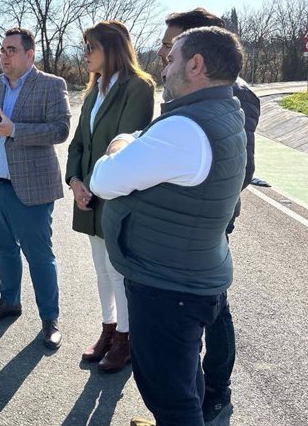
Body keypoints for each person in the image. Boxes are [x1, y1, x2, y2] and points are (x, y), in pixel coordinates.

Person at [91, 26, 247, 426]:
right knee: (182, 375)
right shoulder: (223, 110)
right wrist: (138, 143)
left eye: (170, 58)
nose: (163, 69)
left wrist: (120, 144)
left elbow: (103, 180)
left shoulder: (184, 129)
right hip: (189, 274)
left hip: (167, 286)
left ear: (195, 65)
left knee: (168, 393)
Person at [158, 8, 260, 424]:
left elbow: (241, 168)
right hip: (183, 219)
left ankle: (216, 390)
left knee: (213, 308)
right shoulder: (185, 90)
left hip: (207, 222)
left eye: (171, 44)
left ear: (198, 52)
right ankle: (190, 392)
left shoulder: (239, 96)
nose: (165, 53)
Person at [0, 27, 71, 349]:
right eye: (2, 50)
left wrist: (14, 130)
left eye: (11, 50)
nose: (4, 55)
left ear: (30, 54)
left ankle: (49, 318)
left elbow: (60, 130)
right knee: (4, 248)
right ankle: (9, 301)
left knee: (39, 256)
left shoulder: (52, 85)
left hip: (32, 189)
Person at [65, 20, 155, 372]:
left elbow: (126, 145)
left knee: (118, 271)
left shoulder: (139, 87)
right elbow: (78, 144)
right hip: (88, 195)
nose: (85, 54)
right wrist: (75, 181)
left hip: (115, 195)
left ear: (112, 48)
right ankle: (108, 329)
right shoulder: (93, 90)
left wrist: (91, 183)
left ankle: (125, 339)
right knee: (101, 269)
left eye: (91, 47)